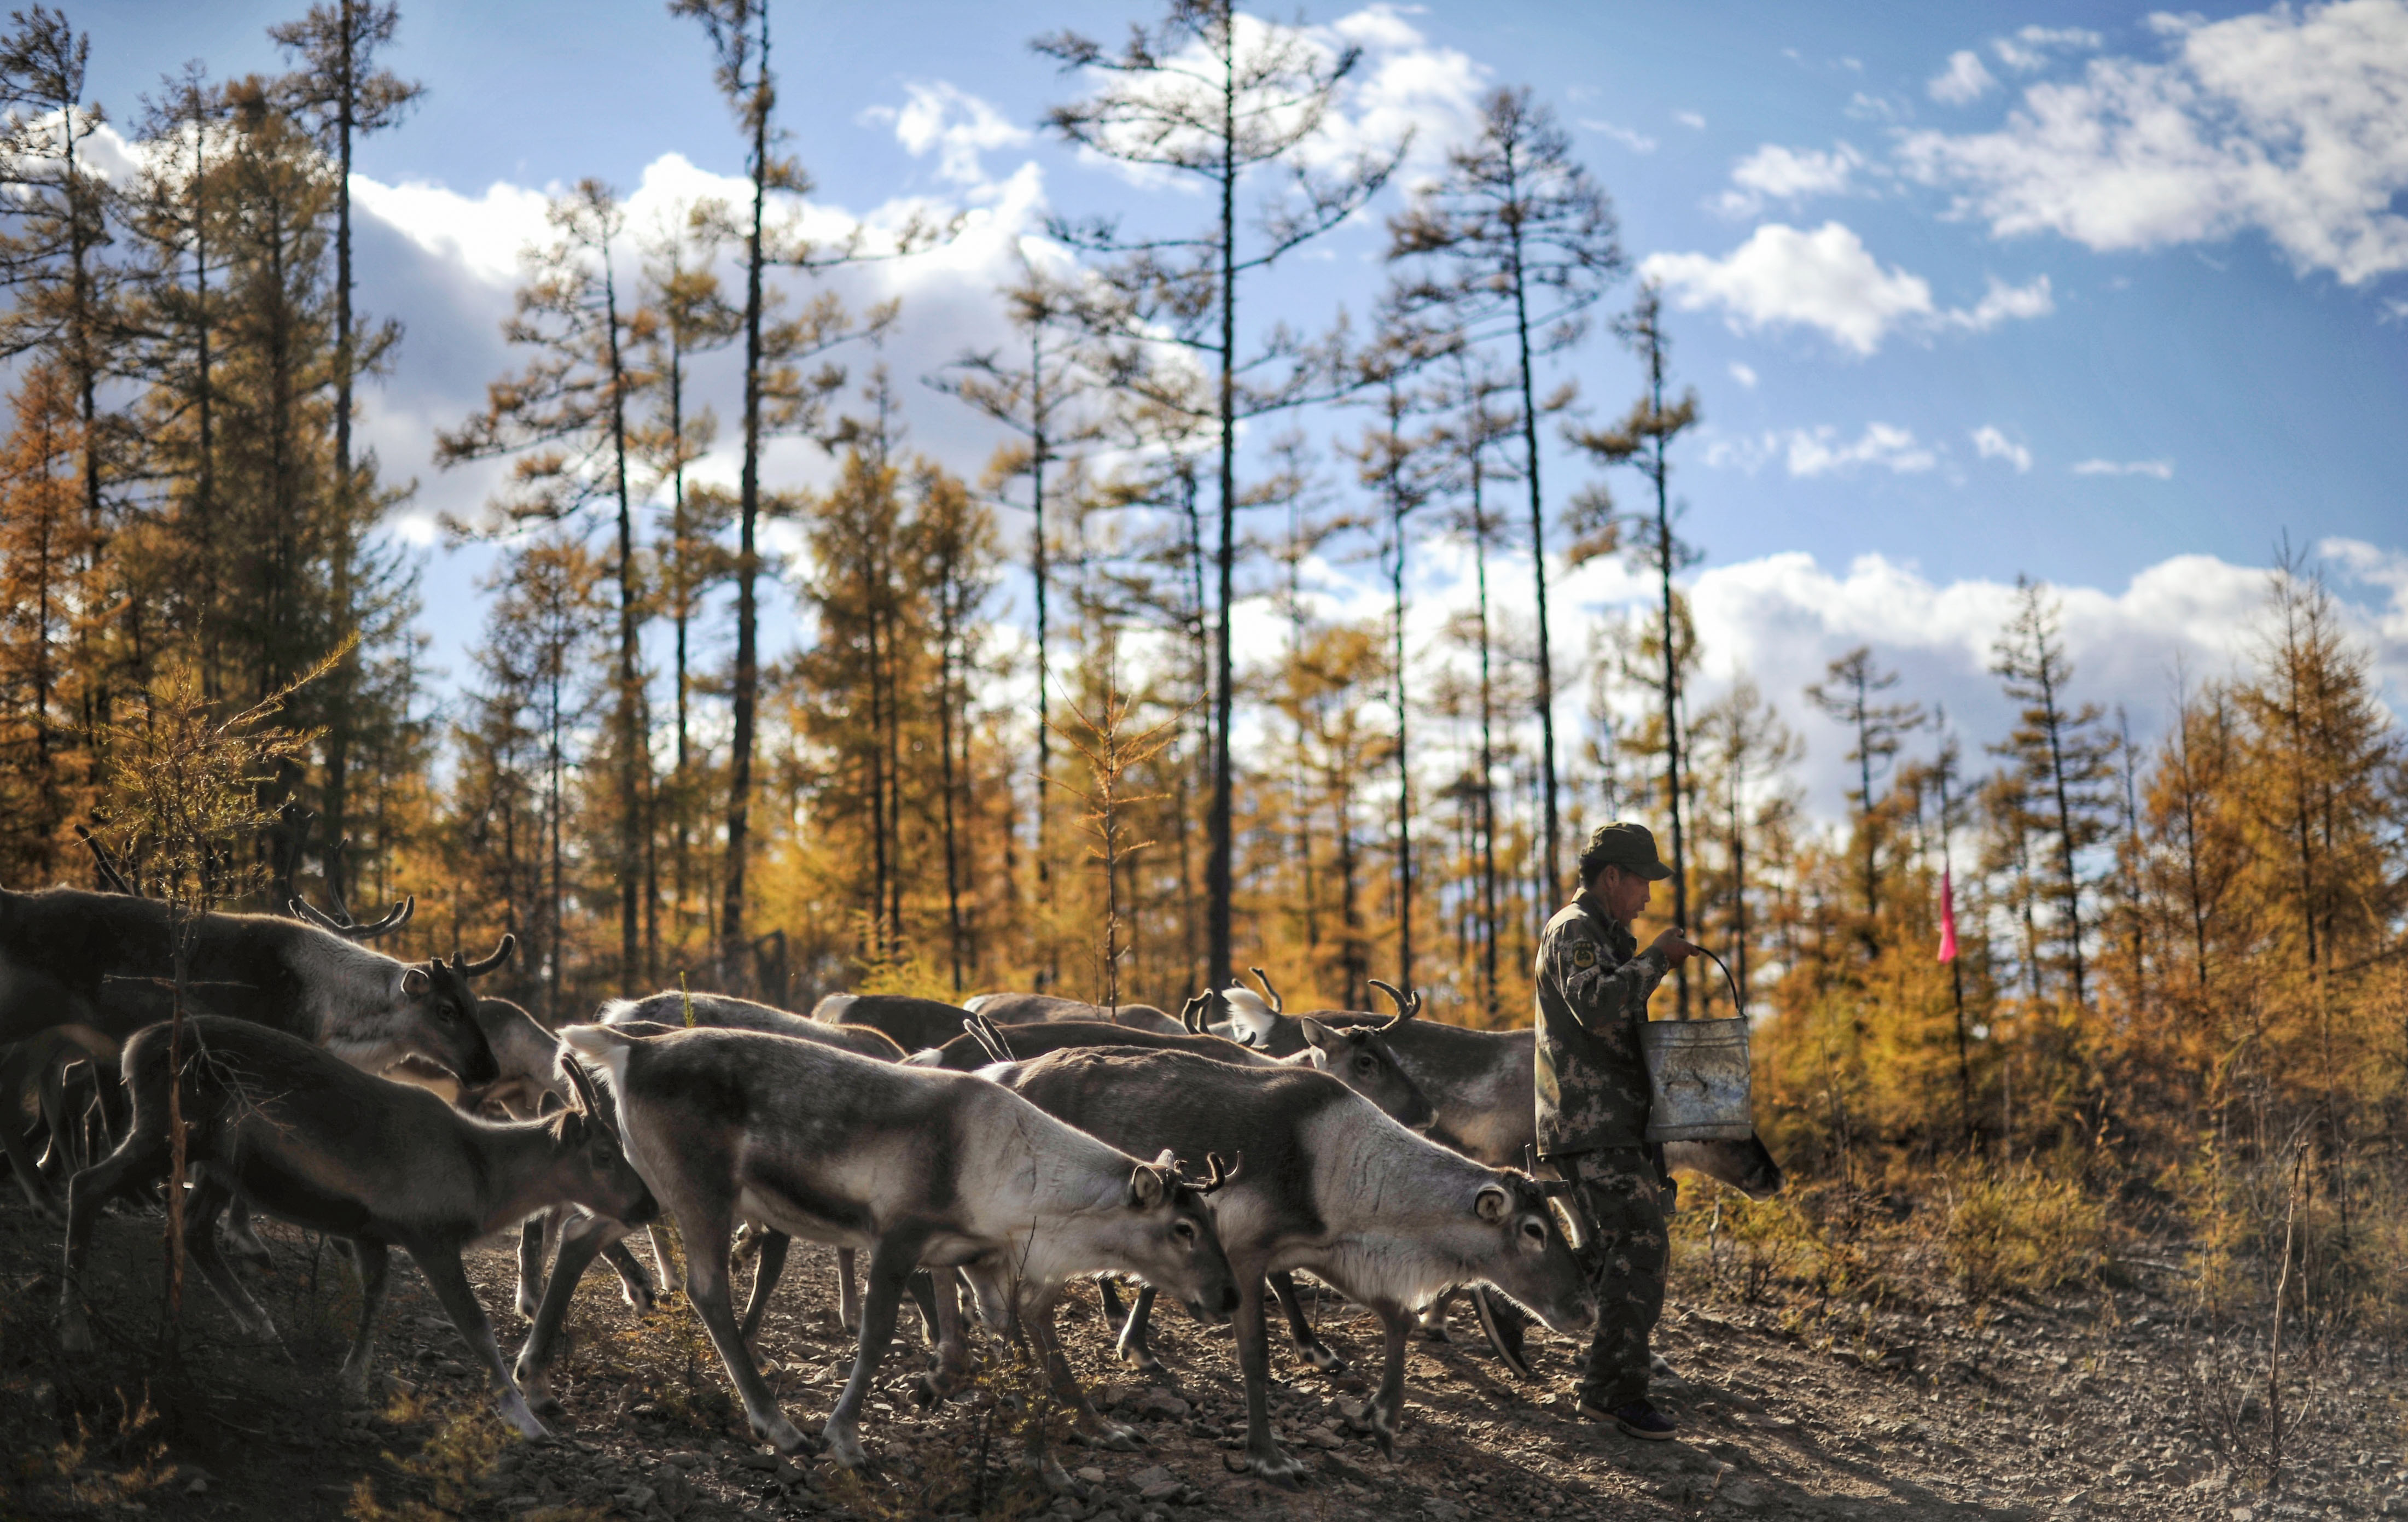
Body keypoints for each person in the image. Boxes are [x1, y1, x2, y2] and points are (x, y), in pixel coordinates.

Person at [1534, 821, 1700, 1441]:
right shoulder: (1573, 929)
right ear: (1612, 877)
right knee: (1641, 1244)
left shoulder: (1603, 933)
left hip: (1611, 1121)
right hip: (1589, 1121)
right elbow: (1596, 1003)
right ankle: (1610, 1390)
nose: (1648, 897)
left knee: (1617, 1249)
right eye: (1642, 882)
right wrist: (1657, 957)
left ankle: (1516, 1309)